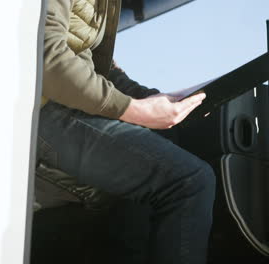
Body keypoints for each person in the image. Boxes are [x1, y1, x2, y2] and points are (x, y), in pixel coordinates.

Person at [38, 0, 216, 263]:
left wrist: (152, 99)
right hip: (35, 107)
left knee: (167, 137)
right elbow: (46, 59)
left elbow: (101, 67)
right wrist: (136, 110)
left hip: (60, 101)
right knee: (191, 181)